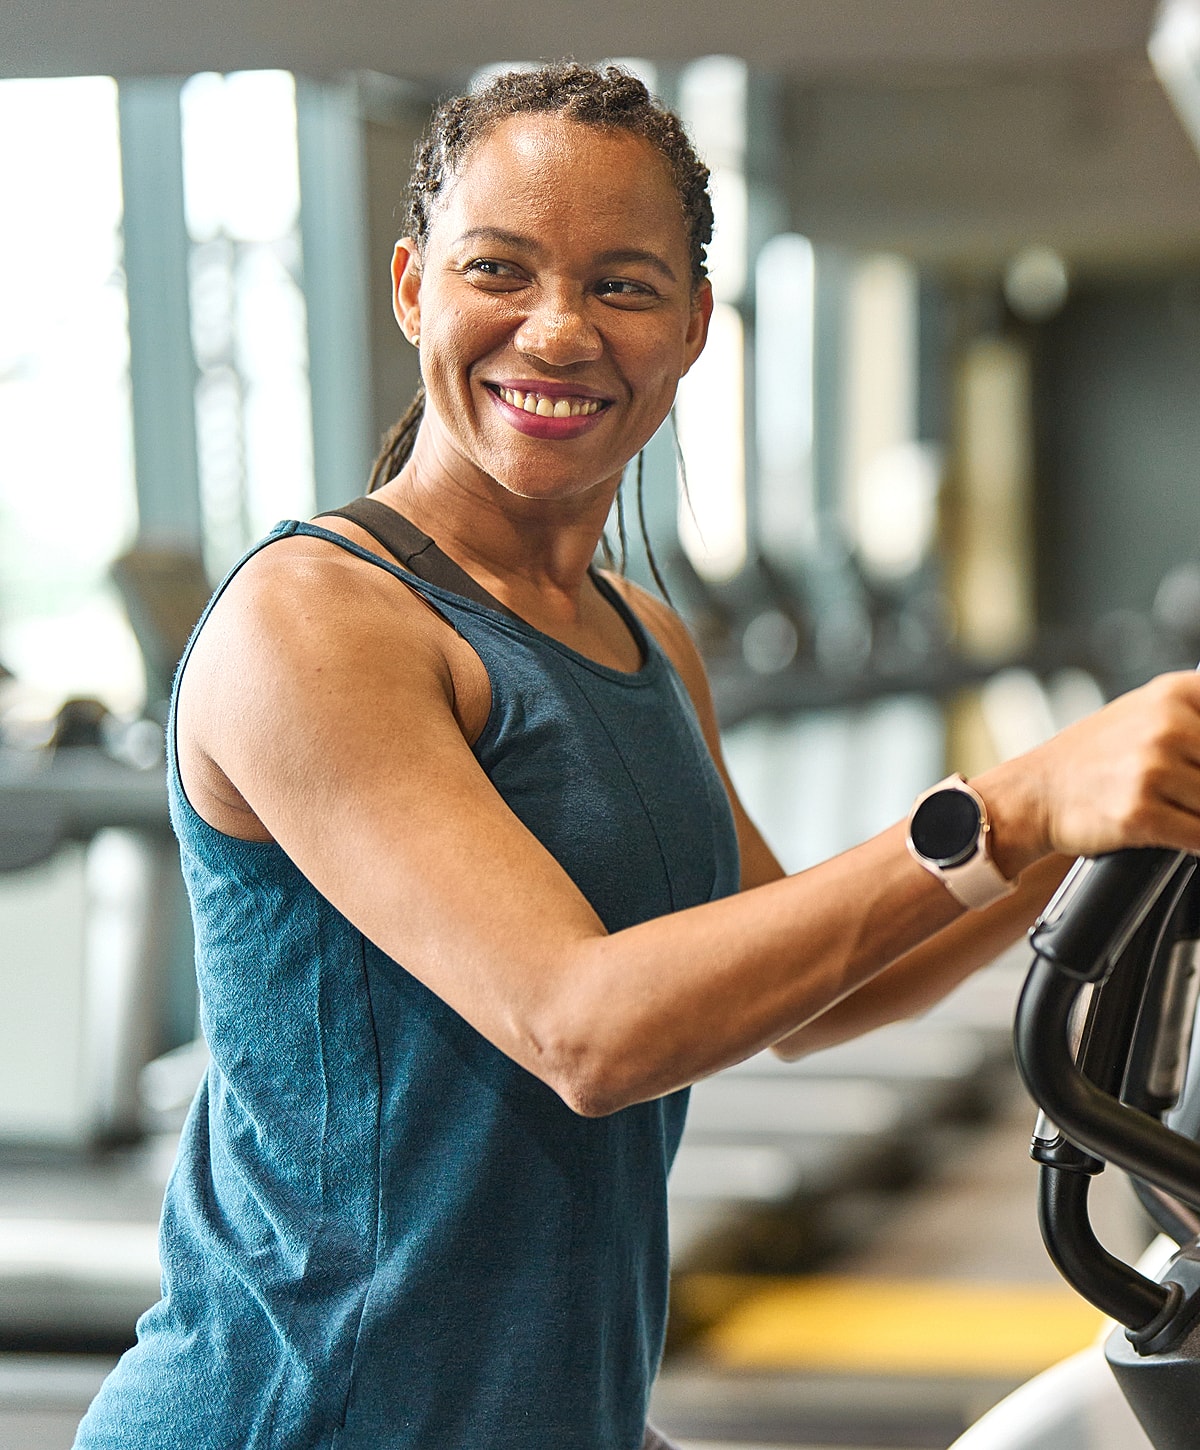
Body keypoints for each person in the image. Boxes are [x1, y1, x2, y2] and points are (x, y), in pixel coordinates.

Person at [74, 62, 1200, 1450]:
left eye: (620, 285)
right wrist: (1016, 798)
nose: (557, 331)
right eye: (501, 270)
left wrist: (1102, 816)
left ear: (690, 328)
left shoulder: (645, 637)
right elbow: (587, 1030)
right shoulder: (313, 622)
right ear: (414, 287)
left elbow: (823, 990)